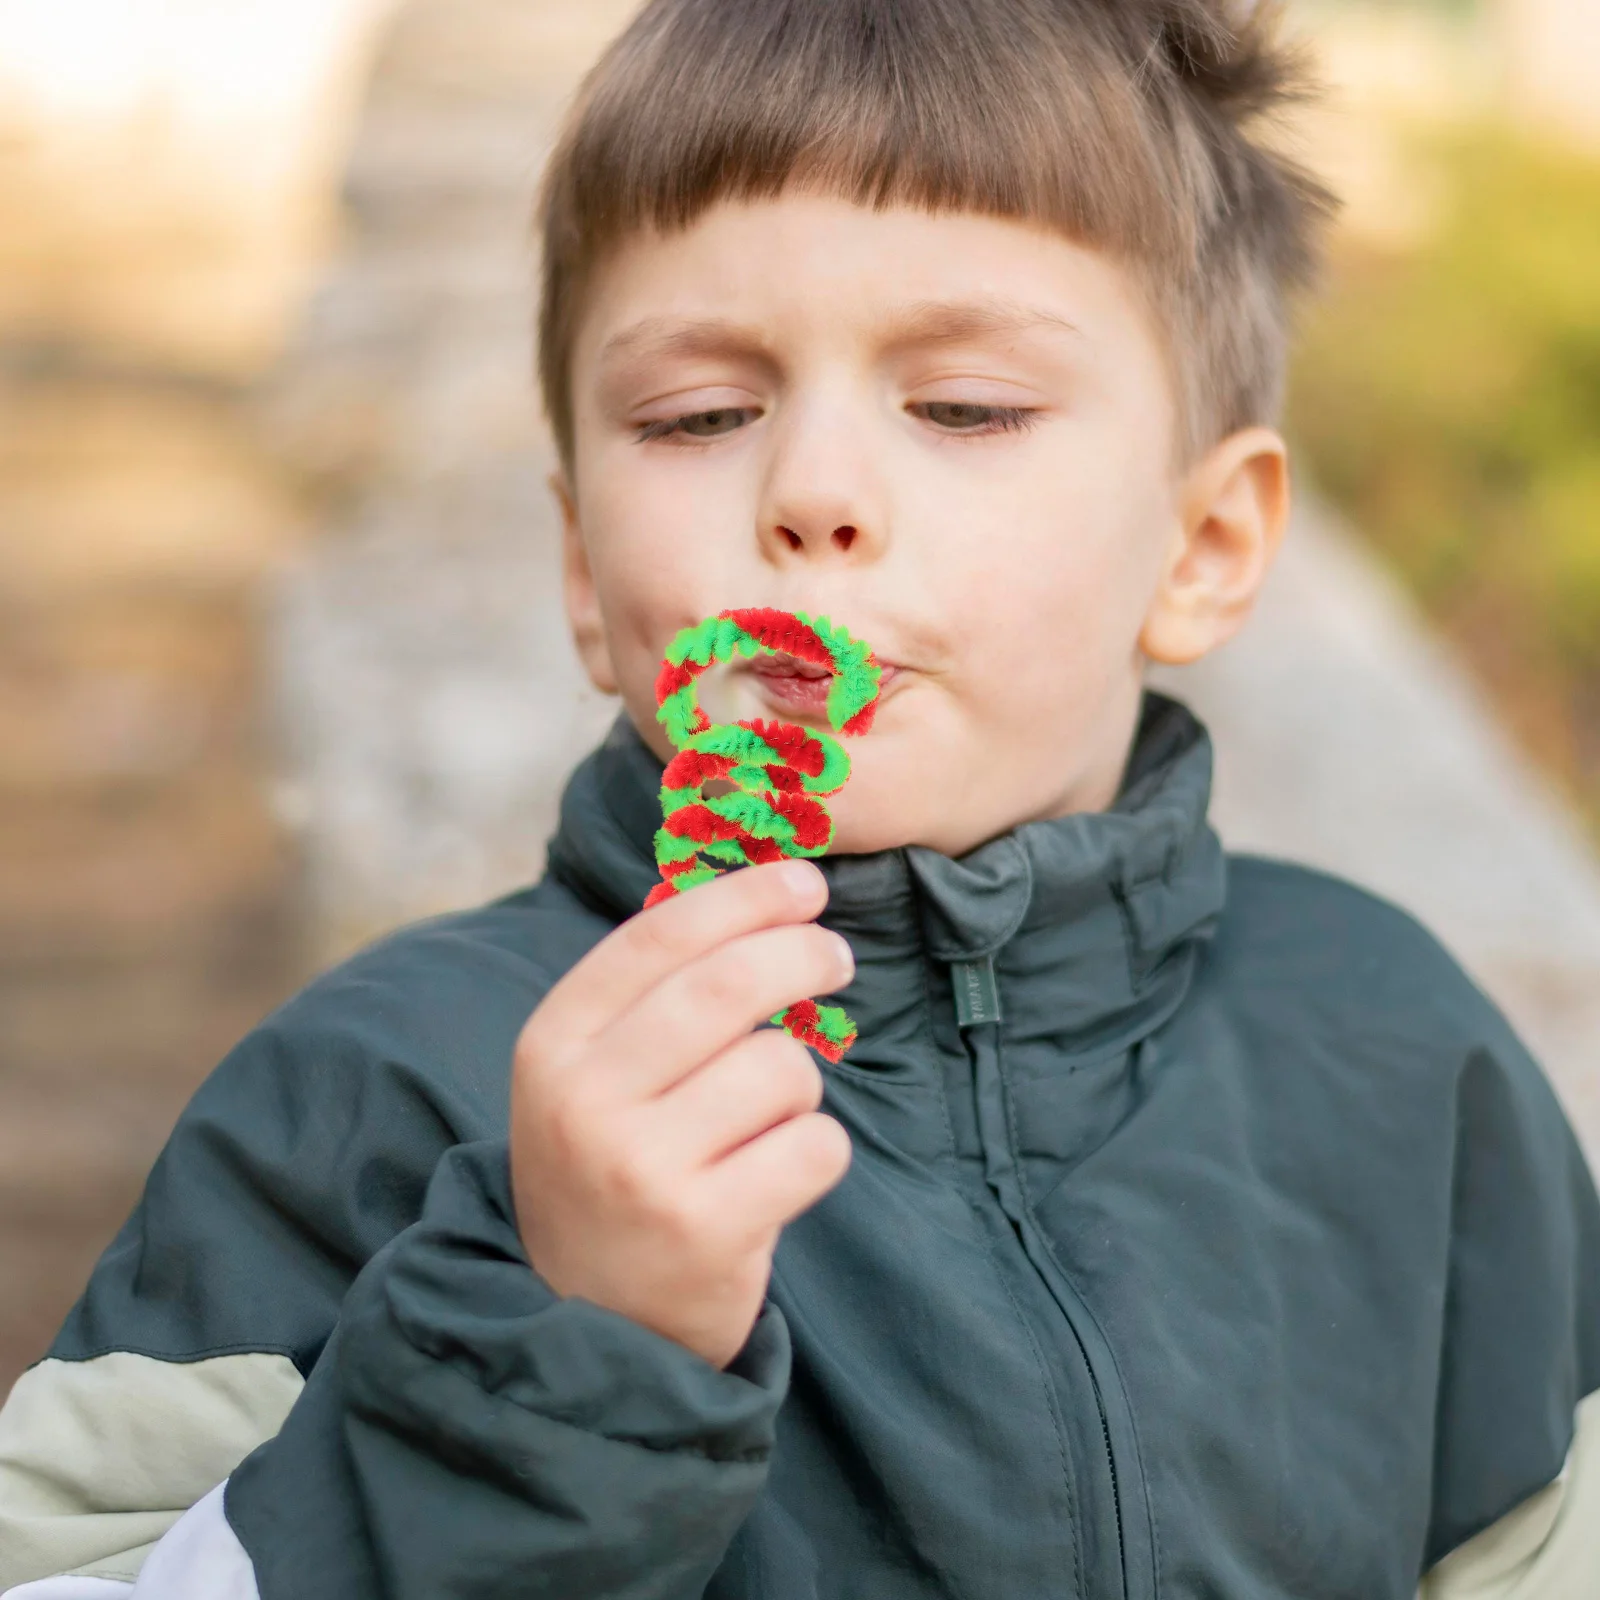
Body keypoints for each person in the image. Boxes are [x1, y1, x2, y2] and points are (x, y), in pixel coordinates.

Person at [3, 0, 1598, 1595]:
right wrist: (558, 1349)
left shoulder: (1399, 1054)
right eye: (700, 416)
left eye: (964, 406)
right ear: (581, 567)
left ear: (1204, 548)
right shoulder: (380, 1098)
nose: (814, 496)